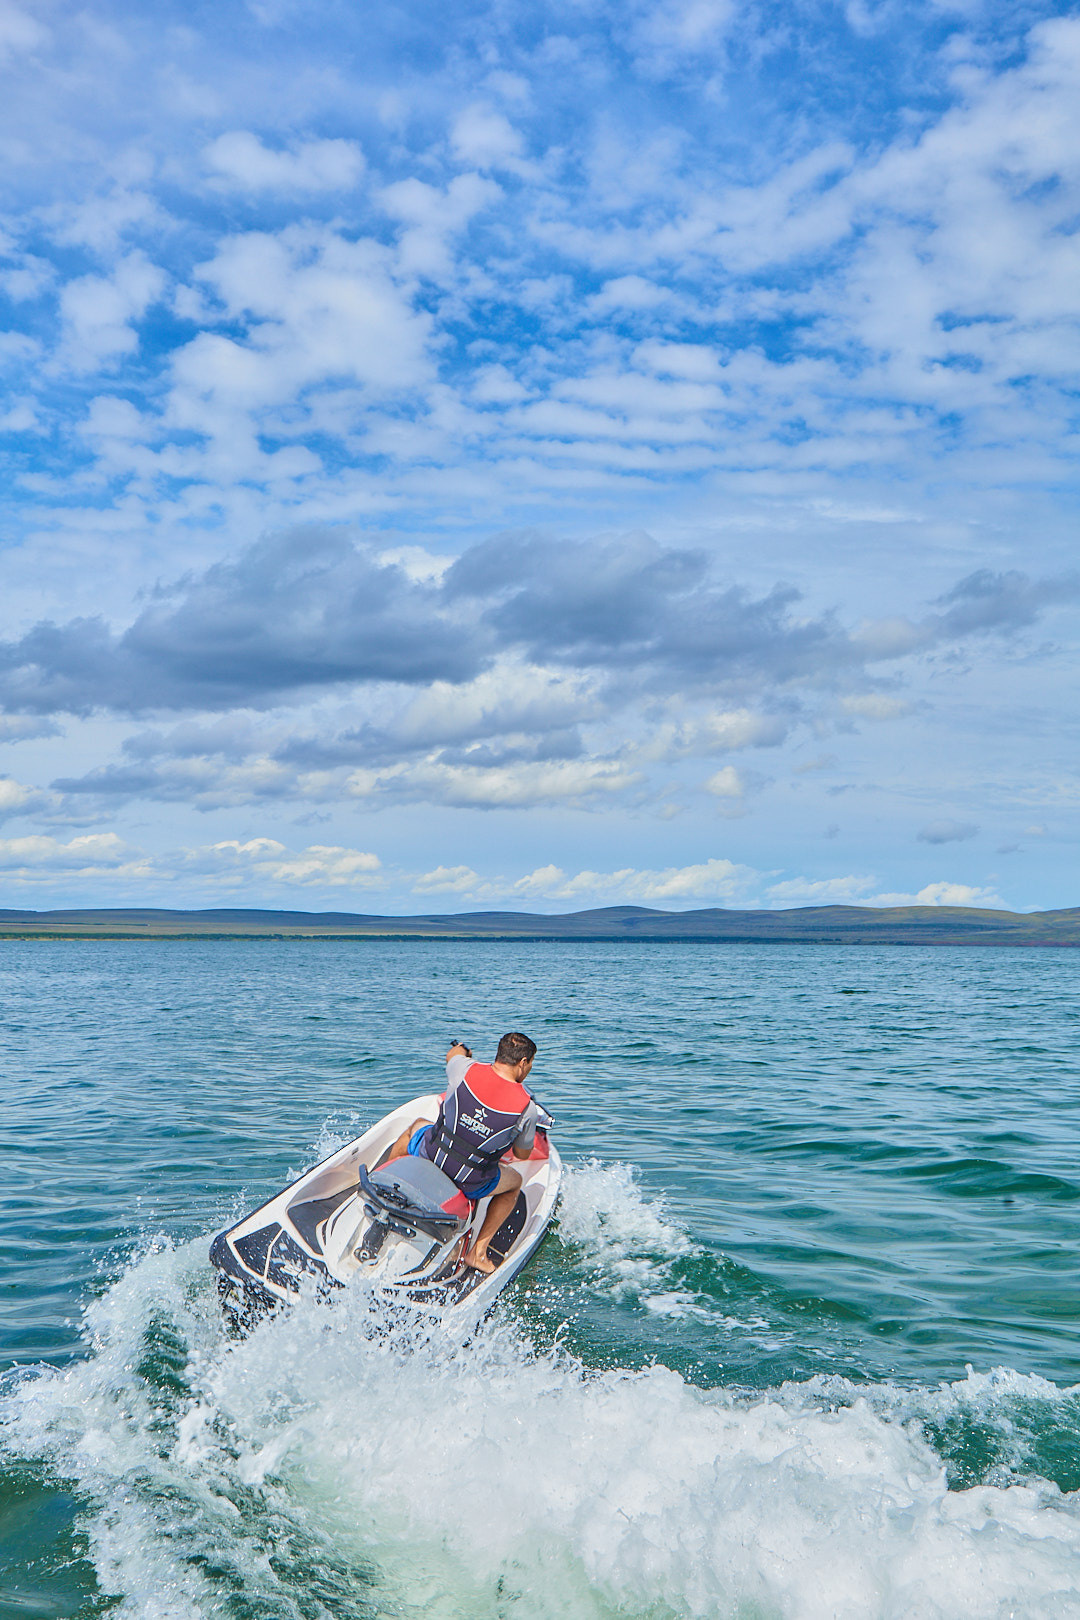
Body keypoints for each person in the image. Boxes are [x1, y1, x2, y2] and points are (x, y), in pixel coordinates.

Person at [387, 1032, 541, 1274]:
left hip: (432, 1154)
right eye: (531, 1063)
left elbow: (452, 1055)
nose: (529, 1068)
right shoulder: (527, 1109)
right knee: (515, 1183)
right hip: (471, 1181)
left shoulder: (464, 1069)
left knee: (414, 1127)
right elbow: (522, 1154)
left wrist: (462, 1050)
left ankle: (388, 1183)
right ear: (523, 1063)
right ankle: (477, 1253)